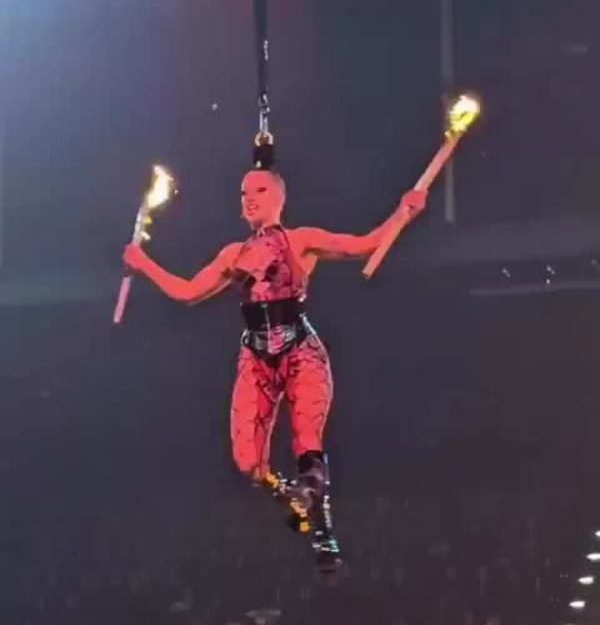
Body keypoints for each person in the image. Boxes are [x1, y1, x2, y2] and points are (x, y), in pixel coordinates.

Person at [123, 156, 426, 573]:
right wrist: (143, 264)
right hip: (257, 359)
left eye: (259, 190)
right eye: (244, 193)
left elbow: (366, 244)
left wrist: (403, 213)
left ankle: (320, 525)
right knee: (248, 462)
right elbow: (188, 292)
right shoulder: (233, 254)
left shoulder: (302, 240)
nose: (249, 199)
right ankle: (292, 498)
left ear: (280, 197)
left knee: (307, 439)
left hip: (300, 350)